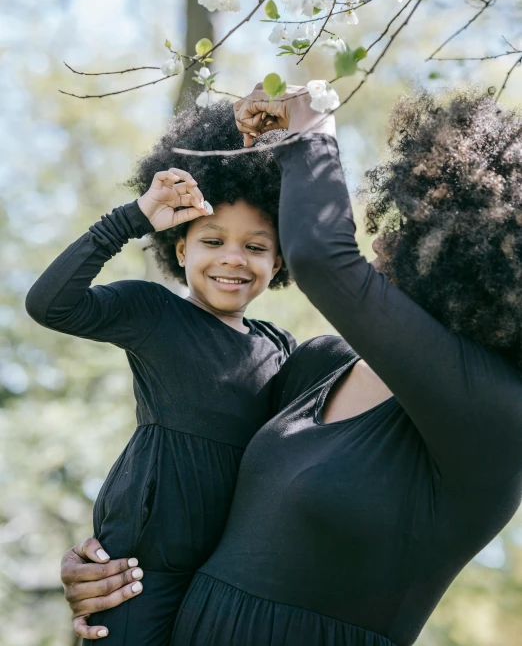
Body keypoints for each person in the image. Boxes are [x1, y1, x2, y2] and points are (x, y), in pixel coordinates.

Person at [60, 86, 522, 646]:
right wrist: (114, 564)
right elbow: (201, 470)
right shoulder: (319, 364)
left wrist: (311, 134)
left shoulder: (494, 415)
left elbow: (322, 258)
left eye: (414, 224)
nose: (386, 238)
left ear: (466, 251)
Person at [25, 100, 296, 645]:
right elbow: (50, 305)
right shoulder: (152, 311)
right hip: (139, 569)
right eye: (213, 240)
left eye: (257, 247)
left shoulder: (282, 348)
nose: (234, 259)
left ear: (281, 261)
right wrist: (130, 219)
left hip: (231, 573)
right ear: (180, 246)